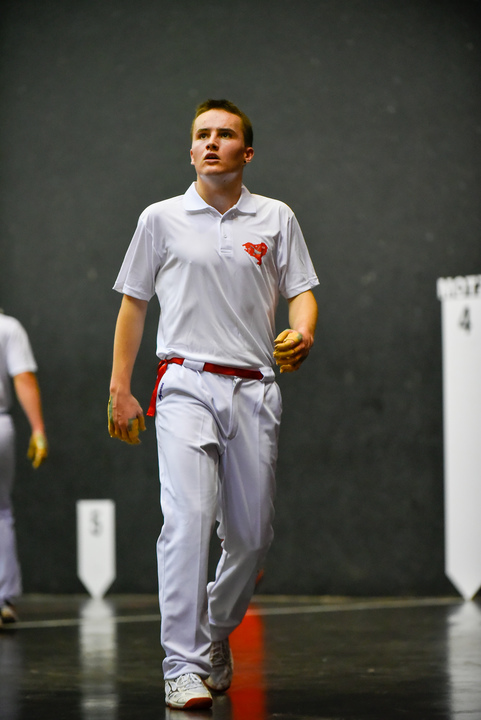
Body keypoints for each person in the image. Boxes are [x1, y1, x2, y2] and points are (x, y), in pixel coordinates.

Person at [108, 99, 319, 710]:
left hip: (255, 389)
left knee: (251, 538)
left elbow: (303, 292)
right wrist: (120, 387)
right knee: (188, 521)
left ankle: (214, 627)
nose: (210, 142)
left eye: (224, 135)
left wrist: (303, 332)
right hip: (184, 384)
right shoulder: (160, 218)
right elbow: (133, 304)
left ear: (245, 152)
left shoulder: (276, 216)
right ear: (190, 149)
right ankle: (183, 665)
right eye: (202, 134)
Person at [0, 311, 48, 626]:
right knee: (1, 511)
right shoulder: (8, 328)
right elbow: (23, 378)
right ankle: (4, 599)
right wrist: (38, 429)